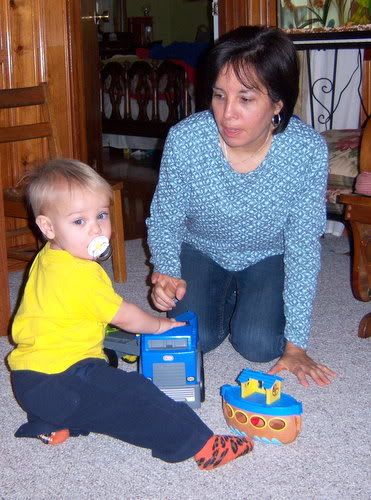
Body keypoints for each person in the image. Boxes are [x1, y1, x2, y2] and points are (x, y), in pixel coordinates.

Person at [7, 159, 254, 470]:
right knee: (134, 394)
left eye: (101, 215)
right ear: (47, 227)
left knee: (101, 372)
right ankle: (201, 444)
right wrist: (160, 325)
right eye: (79, 221)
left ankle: (50, 422)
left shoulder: (49, 257)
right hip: (60, 382)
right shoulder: (79, 276)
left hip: (30, 382)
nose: (96, 228)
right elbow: (127, 317)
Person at [147, 26, 336, 388]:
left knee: (261, 345)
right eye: (219, 96)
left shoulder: (306, 151)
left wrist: (296, 344)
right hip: (200, 248)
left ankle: (247, 295)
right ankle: (230, 292)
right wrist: (167, 273)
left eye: (245, 99)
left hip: (269, 254)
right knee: (195, 339)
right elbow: (166, 217)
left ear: (277, 103)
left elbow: (303, 246)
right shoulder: (186, 139)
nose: (227, 114)